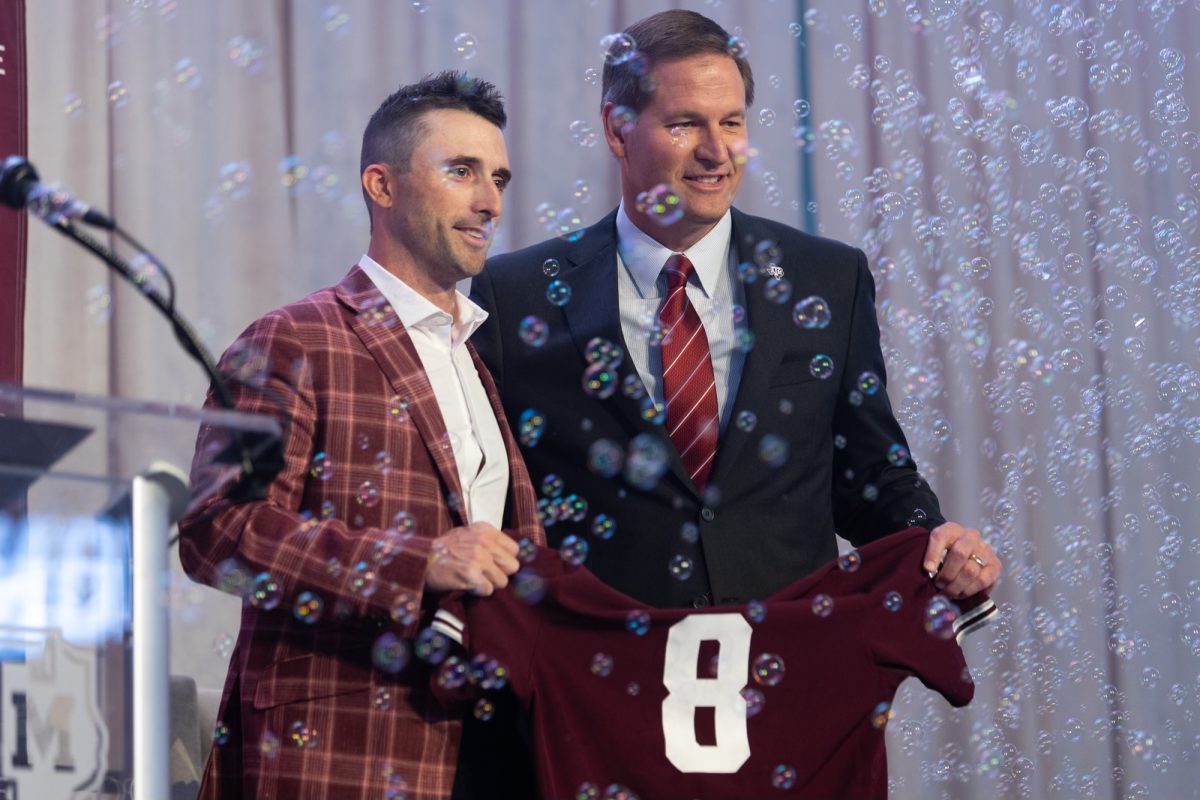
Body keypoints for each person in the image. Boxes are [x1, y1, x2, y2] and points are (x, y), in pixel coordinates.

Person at [470, 10, 1000, 611]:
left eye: (731, 122)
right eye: (685, 124)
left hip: (789, 665)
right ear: (617, 130)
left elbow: (869, 473)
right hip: (603, 673)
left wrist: (935, 537)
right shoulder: (513, 294)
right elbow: (491, 497)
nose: (716, 151)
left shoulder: (827, 279)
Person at [178, 71, 544, 800]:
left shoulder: (474, 360)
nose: (490, 201)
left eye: (498, 177)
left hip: (484, 746)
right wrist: (420, 563)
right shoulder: (293, 339)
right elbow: (217, 533)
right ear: (382, 185)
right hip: (343, 751)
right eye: (461, 171)